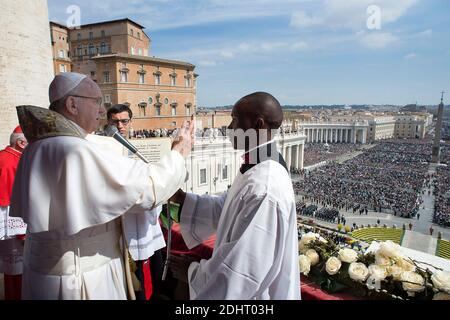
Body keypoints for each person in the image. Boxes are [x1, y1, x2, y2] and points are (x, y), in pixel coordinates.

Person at [9, 72, 194, 300]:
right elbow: (146, 189)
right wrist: (178, 154)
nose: (101, 110)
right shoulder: (72, 148)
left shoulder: (39, 146)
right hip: (81, 278)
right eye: (96, 101)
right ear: (72, 104)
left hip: (49, 273)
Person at [170, 92, 300, 299]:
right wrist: (180, 197)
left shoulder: (264, 186)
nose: (229, 128)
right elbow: (226, 208)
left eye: (235, 120)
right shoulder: (258, 164)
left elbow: (243, 269)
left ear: (258, 124)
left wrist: (194, 273)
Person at [107, 103, 164, 300]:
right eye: (115, 122)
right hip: (120, 224)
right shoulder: (103, 152)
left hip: (145, 221)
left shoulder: (144, 148)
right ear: (108, 124)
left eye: (124, 121)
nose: (120, 126)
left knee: (150, 278)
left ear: (131, 122)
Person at [0, 126, 28, 300]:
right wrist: (21, 232)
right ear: (21, 143)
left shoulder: (5, 155)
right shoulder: (12, 162)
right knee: (17, 270)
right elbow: (12, 199)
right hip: (11, 225)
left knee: (11, 270)